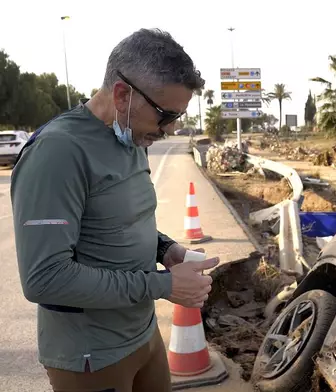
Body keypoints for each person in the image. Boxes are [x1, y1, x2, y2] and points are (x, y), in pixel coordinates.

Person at [11, 28, 217, 392]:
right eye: (165, 116)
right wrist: (163, 285)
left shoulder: (132, 136)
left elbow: (120, 220)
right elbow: (45, 278)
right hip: (93, 356)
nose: (168, 130)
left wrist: (166, 250)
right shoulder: (58, 152)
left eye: (177, 118)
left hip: (143, 335)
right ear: (123, 94)